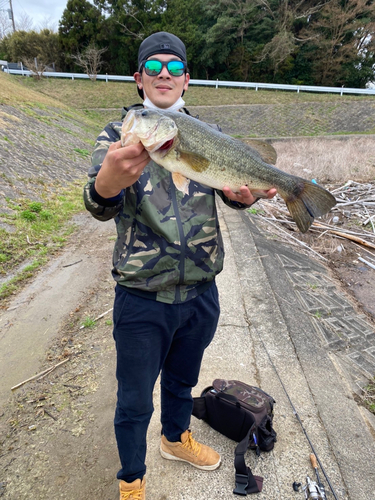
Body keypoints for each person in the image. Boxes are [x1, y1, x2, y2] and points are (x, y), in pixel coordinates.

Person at [83, 31, 276, 500]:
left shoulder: (206, 136)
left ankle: (174, 439)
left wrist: (243, 198)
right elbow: (98, 203)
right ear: (138, 80)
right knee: (132, 398)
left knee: (183, 380)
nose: (163, 74)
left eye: (173, 67)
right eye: (153, 67)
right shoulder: (119, 134)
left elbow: (231, 195)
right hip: (142, 297)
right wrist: (106, 184)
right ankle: (131, 478)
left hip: (200, 294)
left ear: (186, 80)